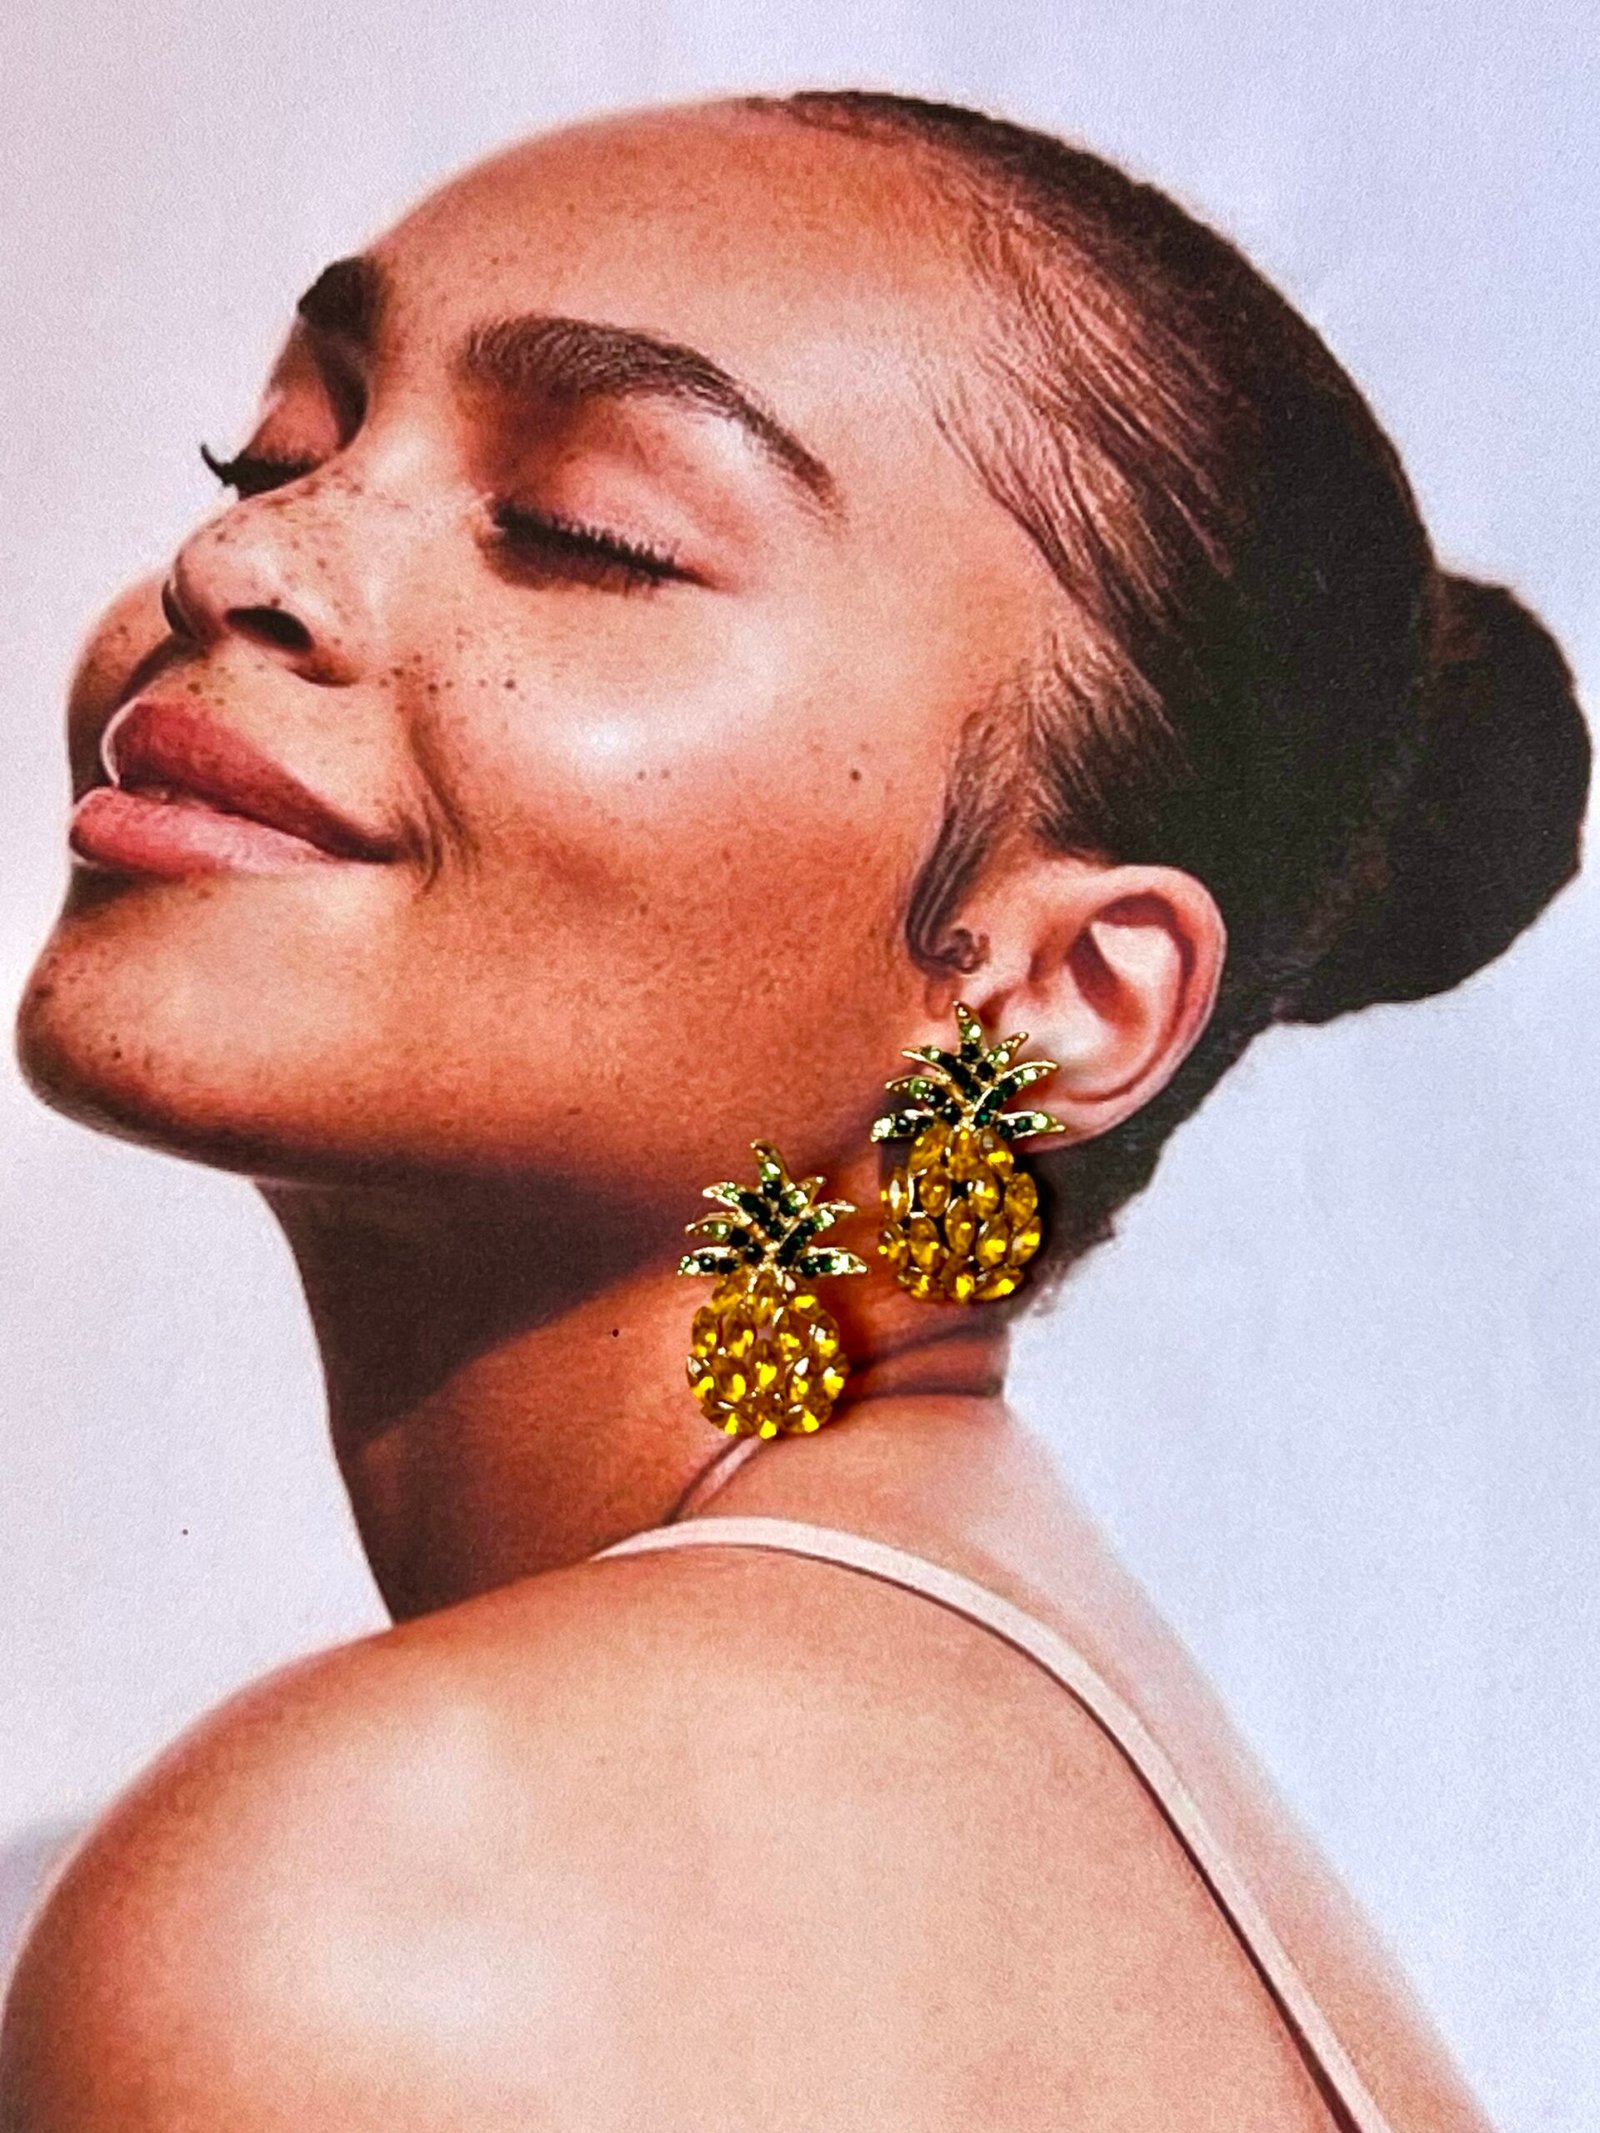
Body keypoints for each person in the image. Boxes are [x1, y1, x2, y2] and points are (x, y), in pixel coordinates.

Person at [1, 89, 1587, 2132]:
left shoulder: (413, 1903)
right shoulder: (1029, 1792)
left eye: (585, 529)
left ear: (1055, 994)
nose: (238, 556)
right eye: (282, 448)